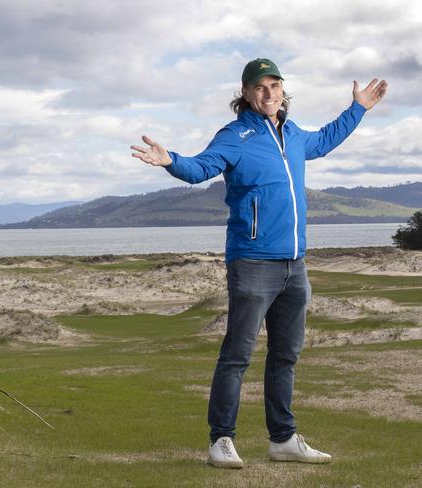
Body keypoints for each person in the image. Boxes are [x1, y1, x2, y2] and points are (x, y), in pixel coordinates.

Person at [131, 58, 387, 469]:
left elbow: (325, 139)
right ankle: (221, 440)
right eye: (260, 87)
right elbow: (201, 168)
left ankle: (282, 439)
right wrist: (171, 161)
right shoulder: (235, 136)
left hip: (294, 264)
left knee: (286, 355)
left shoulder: (294, 134)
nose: (269, 94)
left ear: (283, 90)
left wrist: (357, 109)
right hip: (251, 262)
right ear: (246, 94)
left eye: (275, 85)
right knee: (237, 355)